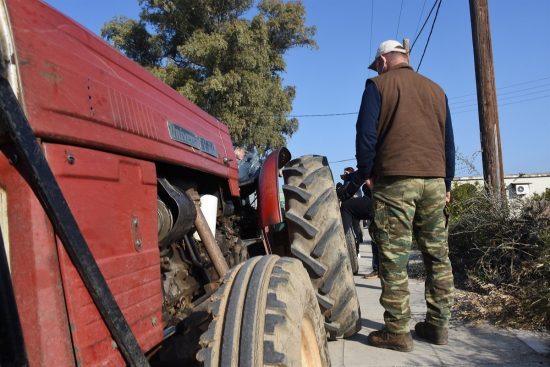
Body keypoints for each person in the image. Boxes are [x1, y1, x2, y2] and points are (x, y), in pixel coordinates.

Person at [343, 40, 455, 352]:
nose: (376, 69)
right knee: (437, 254)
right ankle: (438, 326)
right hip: (434, 181)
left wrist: (361, 177)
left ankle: (396, 331)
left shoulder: (377, 85)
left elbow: (365, 136)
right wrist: (446, 182)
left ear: (383, 60)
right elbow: (448, 143)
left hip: (395, 180)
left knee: (394, 255)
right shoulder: (437, 90)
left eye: (376, 64)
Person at [337, 183, 379, 277]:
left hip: (379, 198)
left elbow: (364, 176)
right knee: (377, 230)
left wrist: (345, 194)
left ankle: (342, 240)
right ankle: (379, 268)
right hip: (395, 198)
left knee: (346, 206)